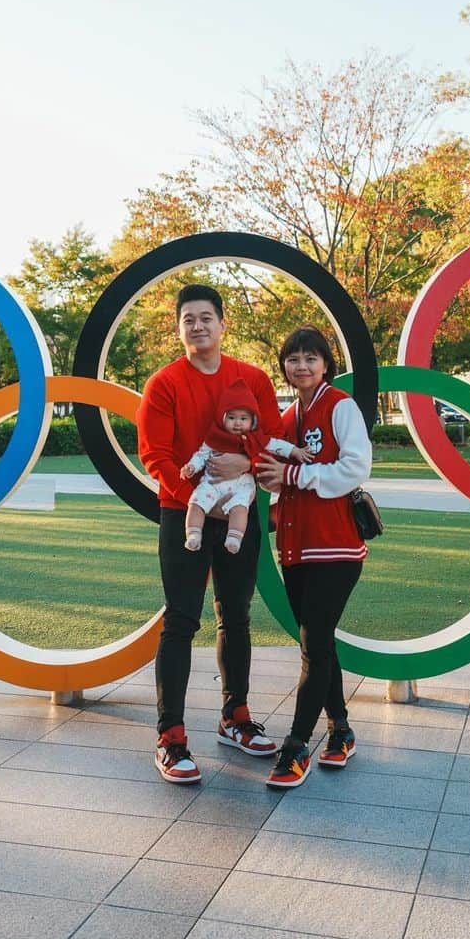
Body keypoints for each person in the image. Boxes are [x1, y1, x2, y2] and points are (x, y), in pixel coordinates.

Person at [136, 285, 281, 784]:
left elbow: (272, 442)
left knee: (236, 616)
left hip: (240, 512)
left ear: (223, 325)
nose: (197, 326)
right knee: (180, 619)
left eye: (206, 318)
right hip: (185, 512)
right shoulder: (164, 383)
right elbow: (154, 455)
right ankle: (170, 736)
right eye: (188, 320)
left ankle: (234, 717)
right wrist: (198, 488)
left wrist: (246, 463)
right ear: (179, 328)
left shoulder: (253, 378)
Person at [255, 325, 372, 789]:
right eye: (293, 358)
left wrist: (293, 475)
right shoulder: (287, 417)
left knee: (315, 643)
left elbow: (355, 467)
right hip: (294, 548)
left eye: (311, 357)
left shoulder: (340, 406)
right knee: (317, 644)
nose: (300, 365)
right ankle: (340, 730)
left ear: (326, 363)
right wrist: (270, 477)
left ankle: (296, 744)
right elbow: (273, 475)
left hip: (336, 547)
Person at [179, 379, 312, 555]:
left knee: (240, 508)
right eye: (232, 418)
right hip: (212, 483)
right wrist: (191, 467)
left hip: (241, 485)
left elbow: (277, 445)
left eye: (243, 418)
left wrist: (296, 451)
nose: (237, 423)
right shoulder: (215, 437)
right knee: (196, 503)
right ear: (222, 418)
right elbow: (201, 455)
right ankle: (193, 534)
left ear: (253, 420)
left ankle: (234, 538)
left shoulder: (257, 438)